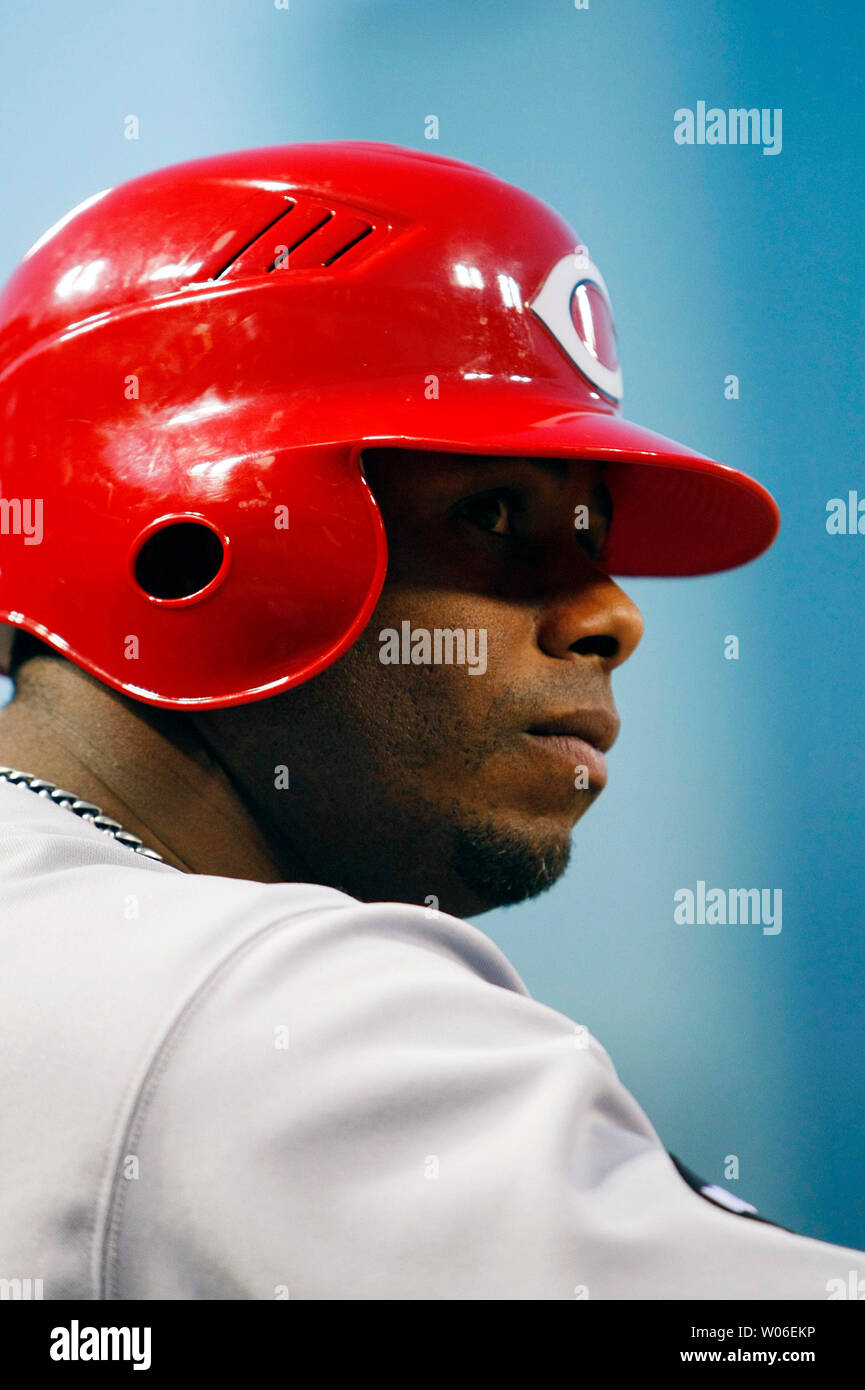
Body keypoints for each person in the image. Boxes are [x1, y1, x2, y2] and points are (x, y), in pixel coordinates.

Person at [0, 141, 860, 1300]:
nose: (613, 617)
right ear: (187, 532)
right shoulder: (268, 1007)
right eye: (494, 513)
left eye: (595, 534)